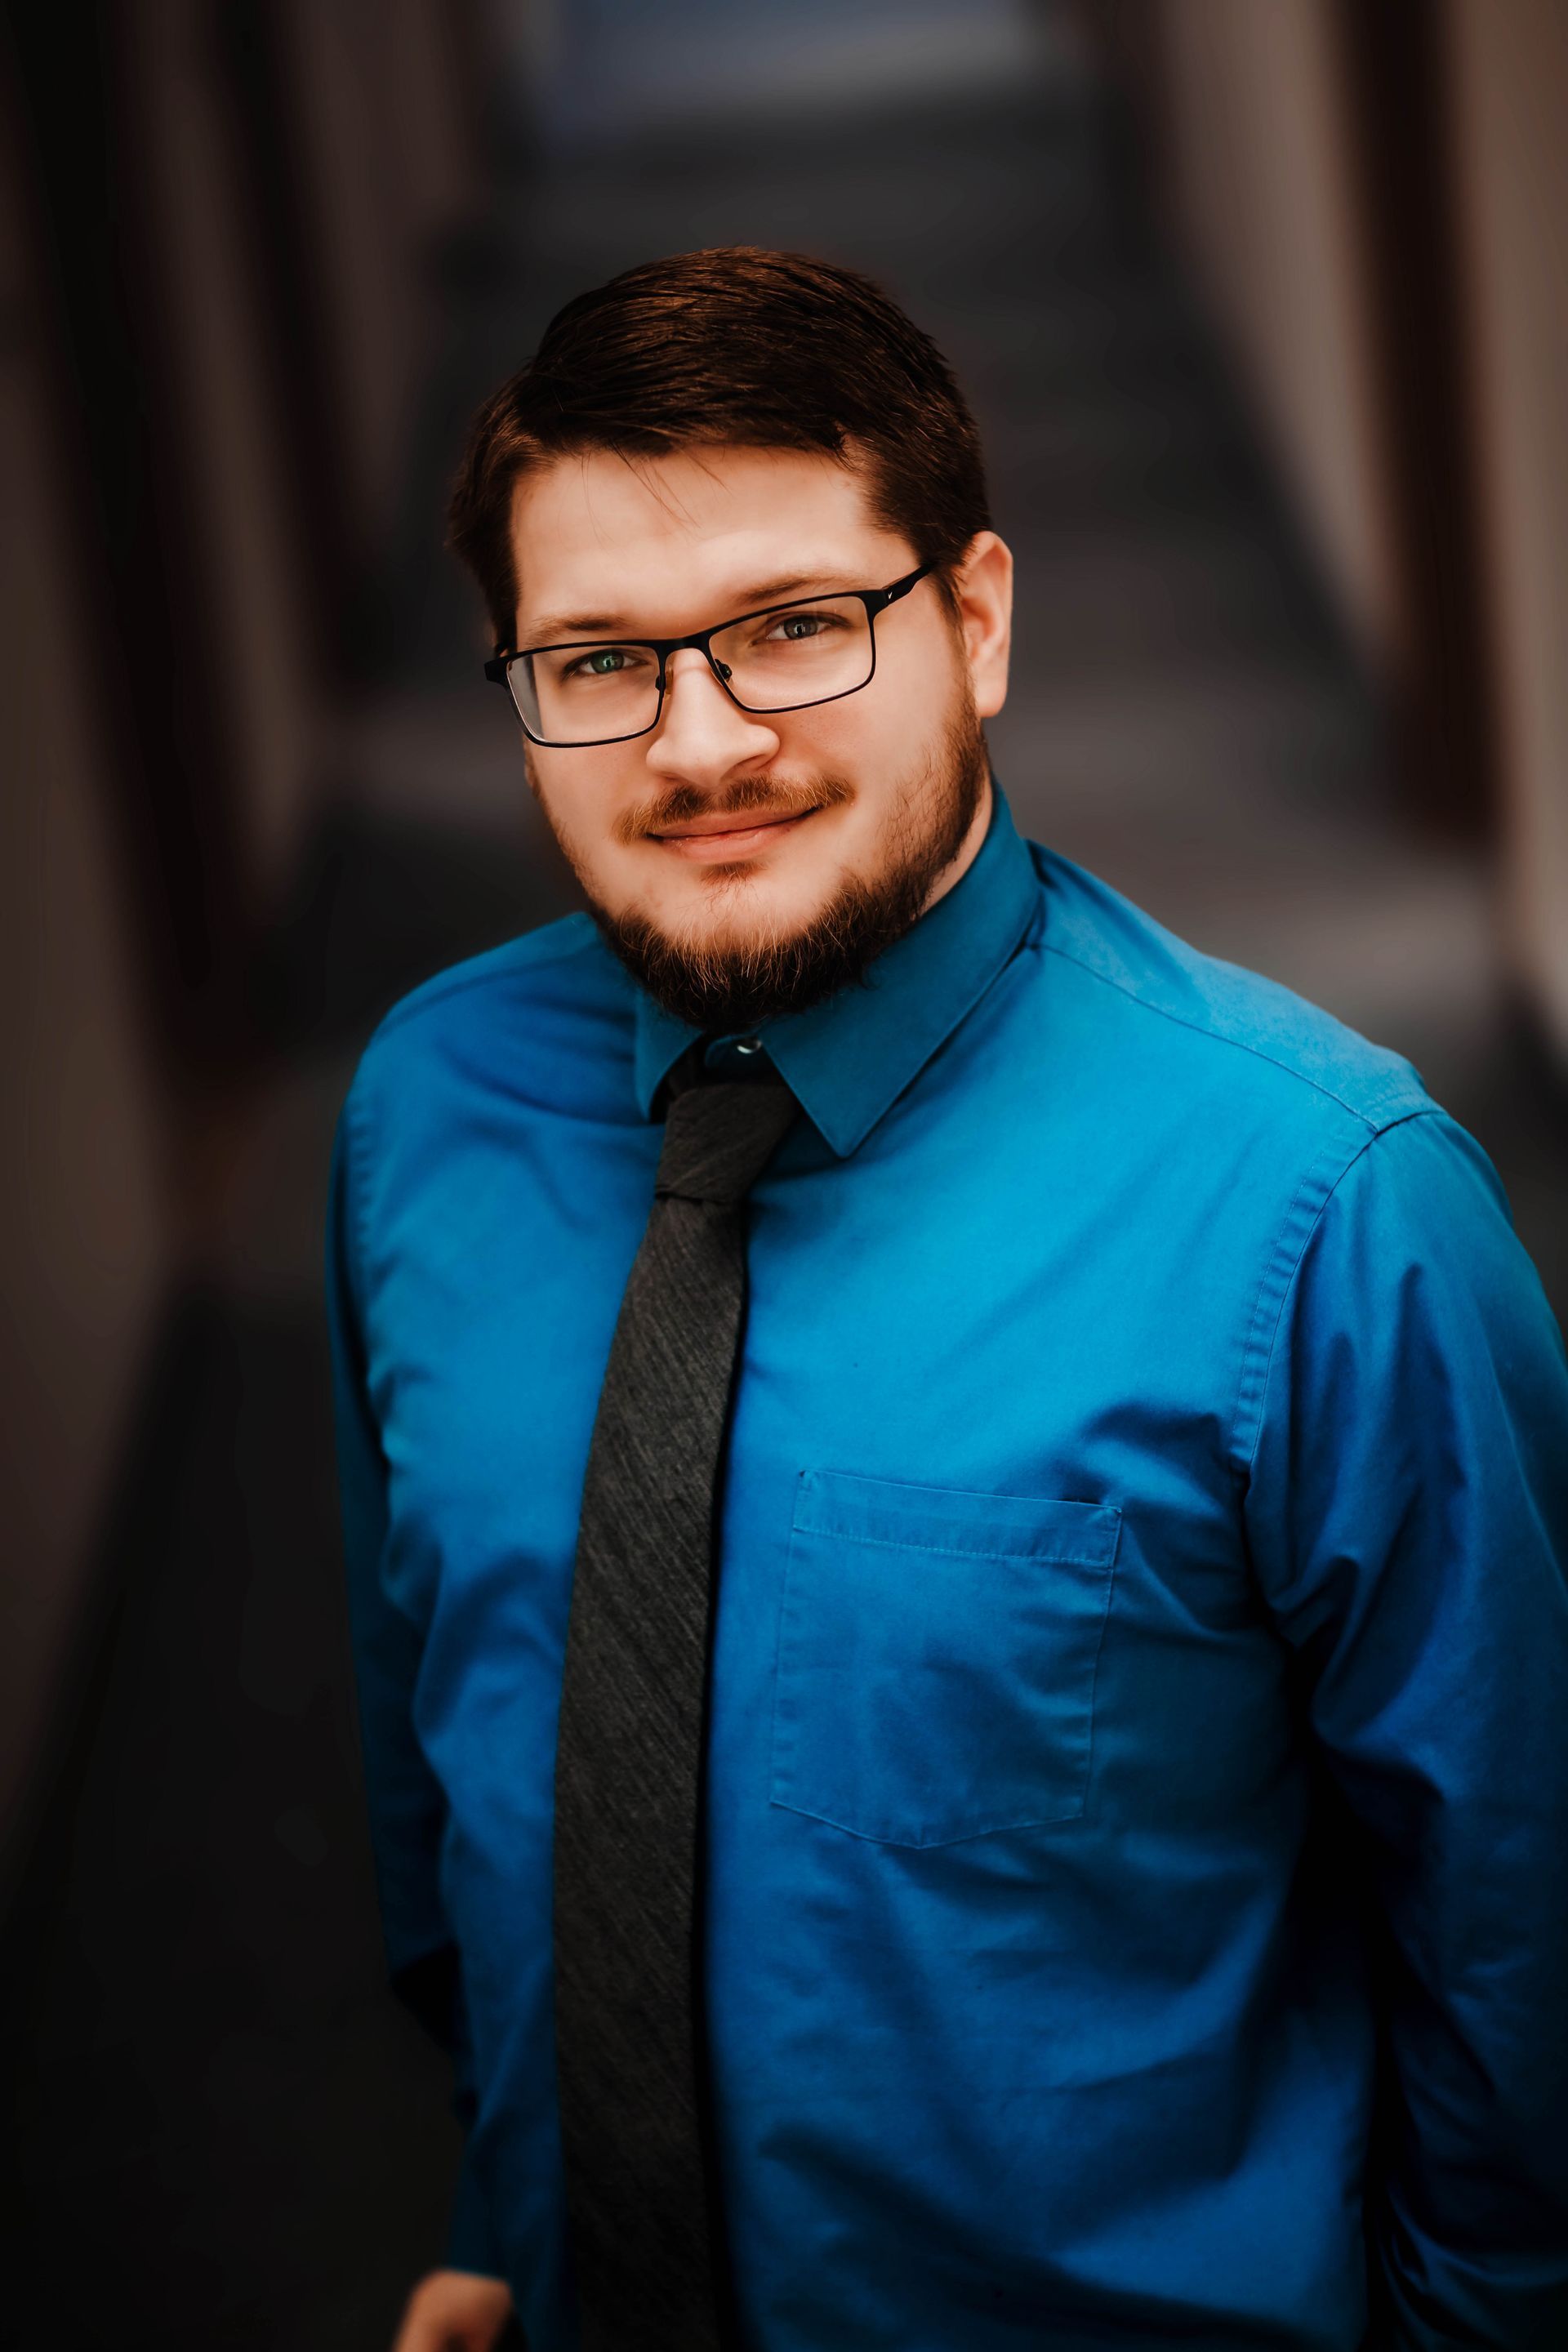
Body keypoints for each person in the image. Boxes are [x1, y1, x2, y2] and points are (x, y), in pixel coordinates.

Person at [324, 247, 1568, 2352]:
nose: (700, 744)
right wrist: (509, 2208)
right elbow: (457, 1768)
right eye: (599, 662)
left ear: (974, 621)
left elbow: (1525, 1968)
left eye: (796, 630)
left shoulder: (1326, 1212)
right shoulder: (427, 1110)